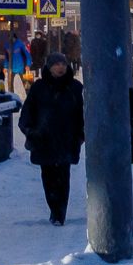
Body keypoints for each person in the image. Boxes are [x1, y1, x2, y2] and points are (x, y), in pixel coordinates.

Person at [17, 53, 83, 226]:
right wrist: (30, 130)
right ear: (49, 67)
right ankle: (54, 208)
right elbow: (27, 113)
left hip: (66, 139)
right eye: (56, 64)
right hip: (43, 140)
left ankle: (59, 213)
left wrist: (80, 135)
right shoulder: (39, 88)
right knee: (48, 178)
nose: (60, 67)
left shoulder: (75, 87)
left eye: (63, 63)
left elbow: (82, 114)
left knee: (63, 176)